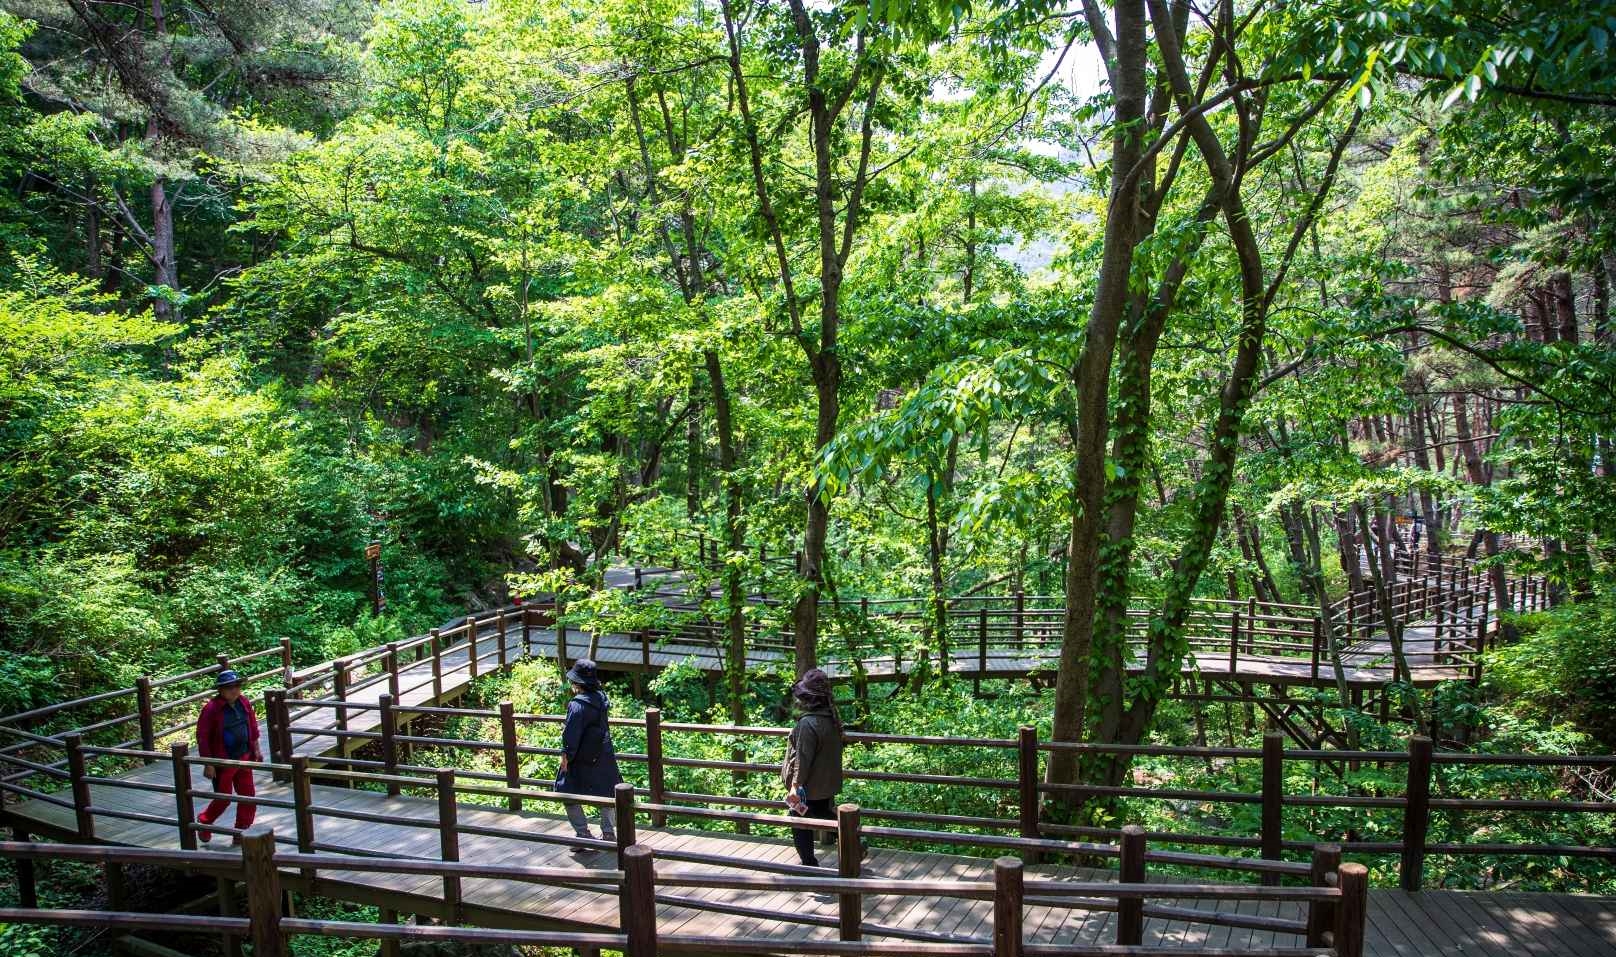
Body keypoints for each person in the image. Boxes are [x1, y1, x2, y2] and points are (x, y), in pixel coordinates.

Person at [556, 659, 622, 854]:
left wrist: (566, 756)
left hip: (581, 757)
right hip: (603, 753)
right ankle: (608, 833)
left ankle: (582, 833)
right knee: (607, 790)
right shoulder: (601, 698)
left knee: (566, 790)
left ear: (577, 683)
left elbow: (571, 734)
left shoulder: (577, 705)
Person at [781, 668, 843, 867]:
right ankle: (854, 839)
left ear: (808, 698)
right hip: (825, 785)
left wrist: (795, 787)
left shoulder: (808, 723)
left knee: (798, 820)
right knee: (823, 815)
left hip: (809, 787)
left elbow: (802, 759)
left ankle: (809, 865)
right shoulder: (831, 719)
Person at [195, 669, 261, 845]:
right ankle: (205, 821)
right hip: (223, 761)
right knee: (224, 798)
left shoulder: (243, 702)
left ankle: (241, 832)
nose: (234, 690)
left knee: (248, 796)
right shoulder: (211, 709)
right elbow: (203, 737)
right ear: (220, 690)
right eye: (229, 687)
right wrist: (208, 763)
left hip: (244, 755)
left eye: (237, 686)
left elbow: (252, 725)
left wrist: (256, 748)